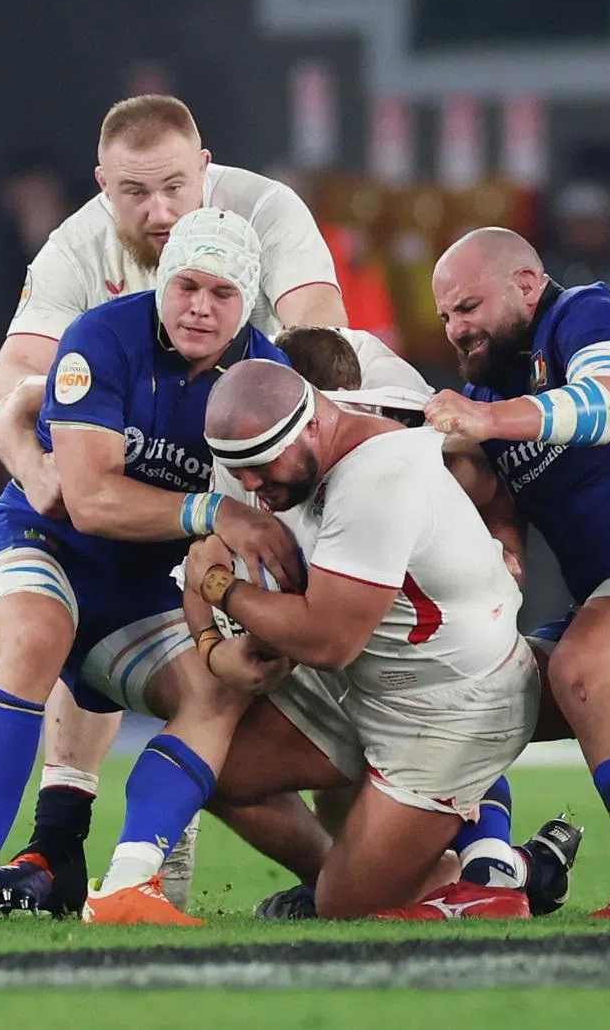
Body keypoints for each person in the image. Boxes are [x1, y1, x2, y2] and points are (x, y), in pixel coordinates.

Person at [0, 93, 347, 912]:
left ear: (208, 172)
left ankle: (448, 851)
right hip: (161, 475)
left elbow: (326, 355)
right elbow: (13, 385)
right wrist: (40, 464)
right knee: (137, 632)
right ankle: (73, 847)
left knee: (319, 683)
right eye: (132, 194)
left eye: (175, 189)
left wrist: (267, 482)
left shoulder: (266, 209)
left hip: (281, 469)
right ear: (101, 185)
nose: (157, 212)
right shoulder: (76, 245)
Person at [0, 208, 299, 928]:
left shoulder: (268, 379)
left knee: (219, 689)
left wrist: (219, 626)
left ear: (248, 300)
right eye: (186, 284)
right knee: (36, 637)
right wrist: (211, 513)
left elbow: (255, 527)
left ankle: (129, 884)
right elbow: (88, 499)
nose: (199, 306)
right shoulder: (102, 337)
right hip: (41, 542)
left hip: (141, 591)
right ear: (163, 281)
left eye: (222, 293)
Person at [83, 358, 539, 922]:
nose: (249, 484)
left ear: (315, 425)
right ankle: (360, 873)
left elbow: (327, 640)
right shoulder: (255, 450)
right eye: (237, 469)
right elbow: (198, 564)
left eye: (260, 466)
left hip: (449, 704)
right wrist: (210, 646)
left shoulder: (380, 472)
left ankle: (506, 873)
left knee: (348, 909)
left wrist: (225, 590)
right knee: (212, 769)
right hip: (359, 682)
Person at [424, 225, 610, 919]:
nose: (455, 329)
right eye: (444, 318)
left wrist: (488, 422)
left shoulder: (585, 313)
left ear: (525, 285)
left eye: (467, 307)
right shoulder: (488, 390)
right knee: (469, 692)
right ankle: (495, 873)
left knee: (584, 662)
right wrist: (501, 537)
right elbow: (495, 496)